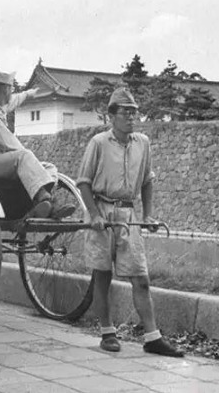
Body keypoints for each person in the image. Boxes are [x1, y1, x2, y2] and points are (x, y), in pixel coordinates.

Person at [76, 86, 183, 357]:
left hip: (128, 213)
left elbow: (147, 180)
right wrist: (95, 215)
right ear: (112, 116)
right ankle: (107, 332)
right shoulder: (99, 143)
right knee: (102, 275)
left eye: (135, 113)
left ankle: (152, 337)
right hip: (101, 210)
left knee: (141, 277)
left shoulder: (142, 143)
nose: (131, 118)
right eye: (125, 113)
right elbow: (84, 183)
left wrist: (147, 215)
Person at [0, 65, 70, 219]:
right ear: (5, 90)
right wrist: (31, 162)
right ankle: (46, 199)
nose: (12, 91)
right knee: (24, 156)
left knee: (49, 167)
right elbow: (11, 144)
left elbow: (16, 99)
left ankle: (42, 206)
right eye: (10, 88)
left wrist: (30, 93)